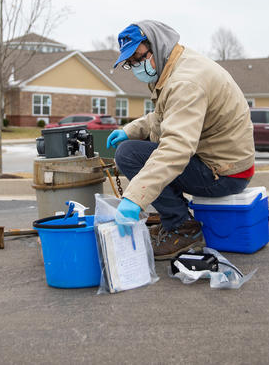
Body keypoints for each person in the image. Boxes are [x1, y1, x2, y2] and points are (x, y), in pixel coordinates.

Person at [106, 20, 255, 259]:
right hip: (222, 162)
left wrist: (134, 198)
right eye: (130, 63)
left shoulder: (185, 82)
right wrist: (131, 130)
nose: (135, 66)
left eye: (138, 57)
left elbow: (176, 148)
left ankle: (182, 229)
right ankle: (175, 221)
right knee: (132, 147)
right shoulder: (175, 65)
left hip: (224, 173)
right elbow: (165, 115)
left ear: (155, 45)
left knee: (129, 155)